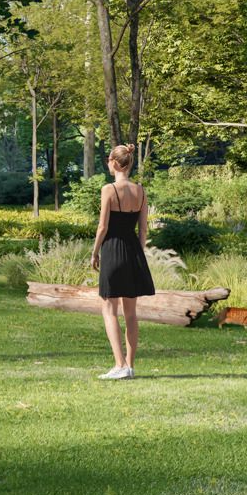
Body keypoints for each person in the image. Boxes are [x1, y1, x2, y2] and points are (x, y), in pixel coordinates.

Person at [92, 144, 155, 380]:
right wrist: (138, 253)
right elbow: (143, 229)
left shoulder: (109, 189)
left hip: (112, 249)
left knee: (109, 309)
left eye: (109, 160)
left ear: (114, 163)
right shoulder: (140, 190)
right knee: (131, 313)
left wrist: (94, 252)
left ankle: (119, 365)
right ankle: (129, 365)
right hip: (132, 251)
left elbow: (103, 227)